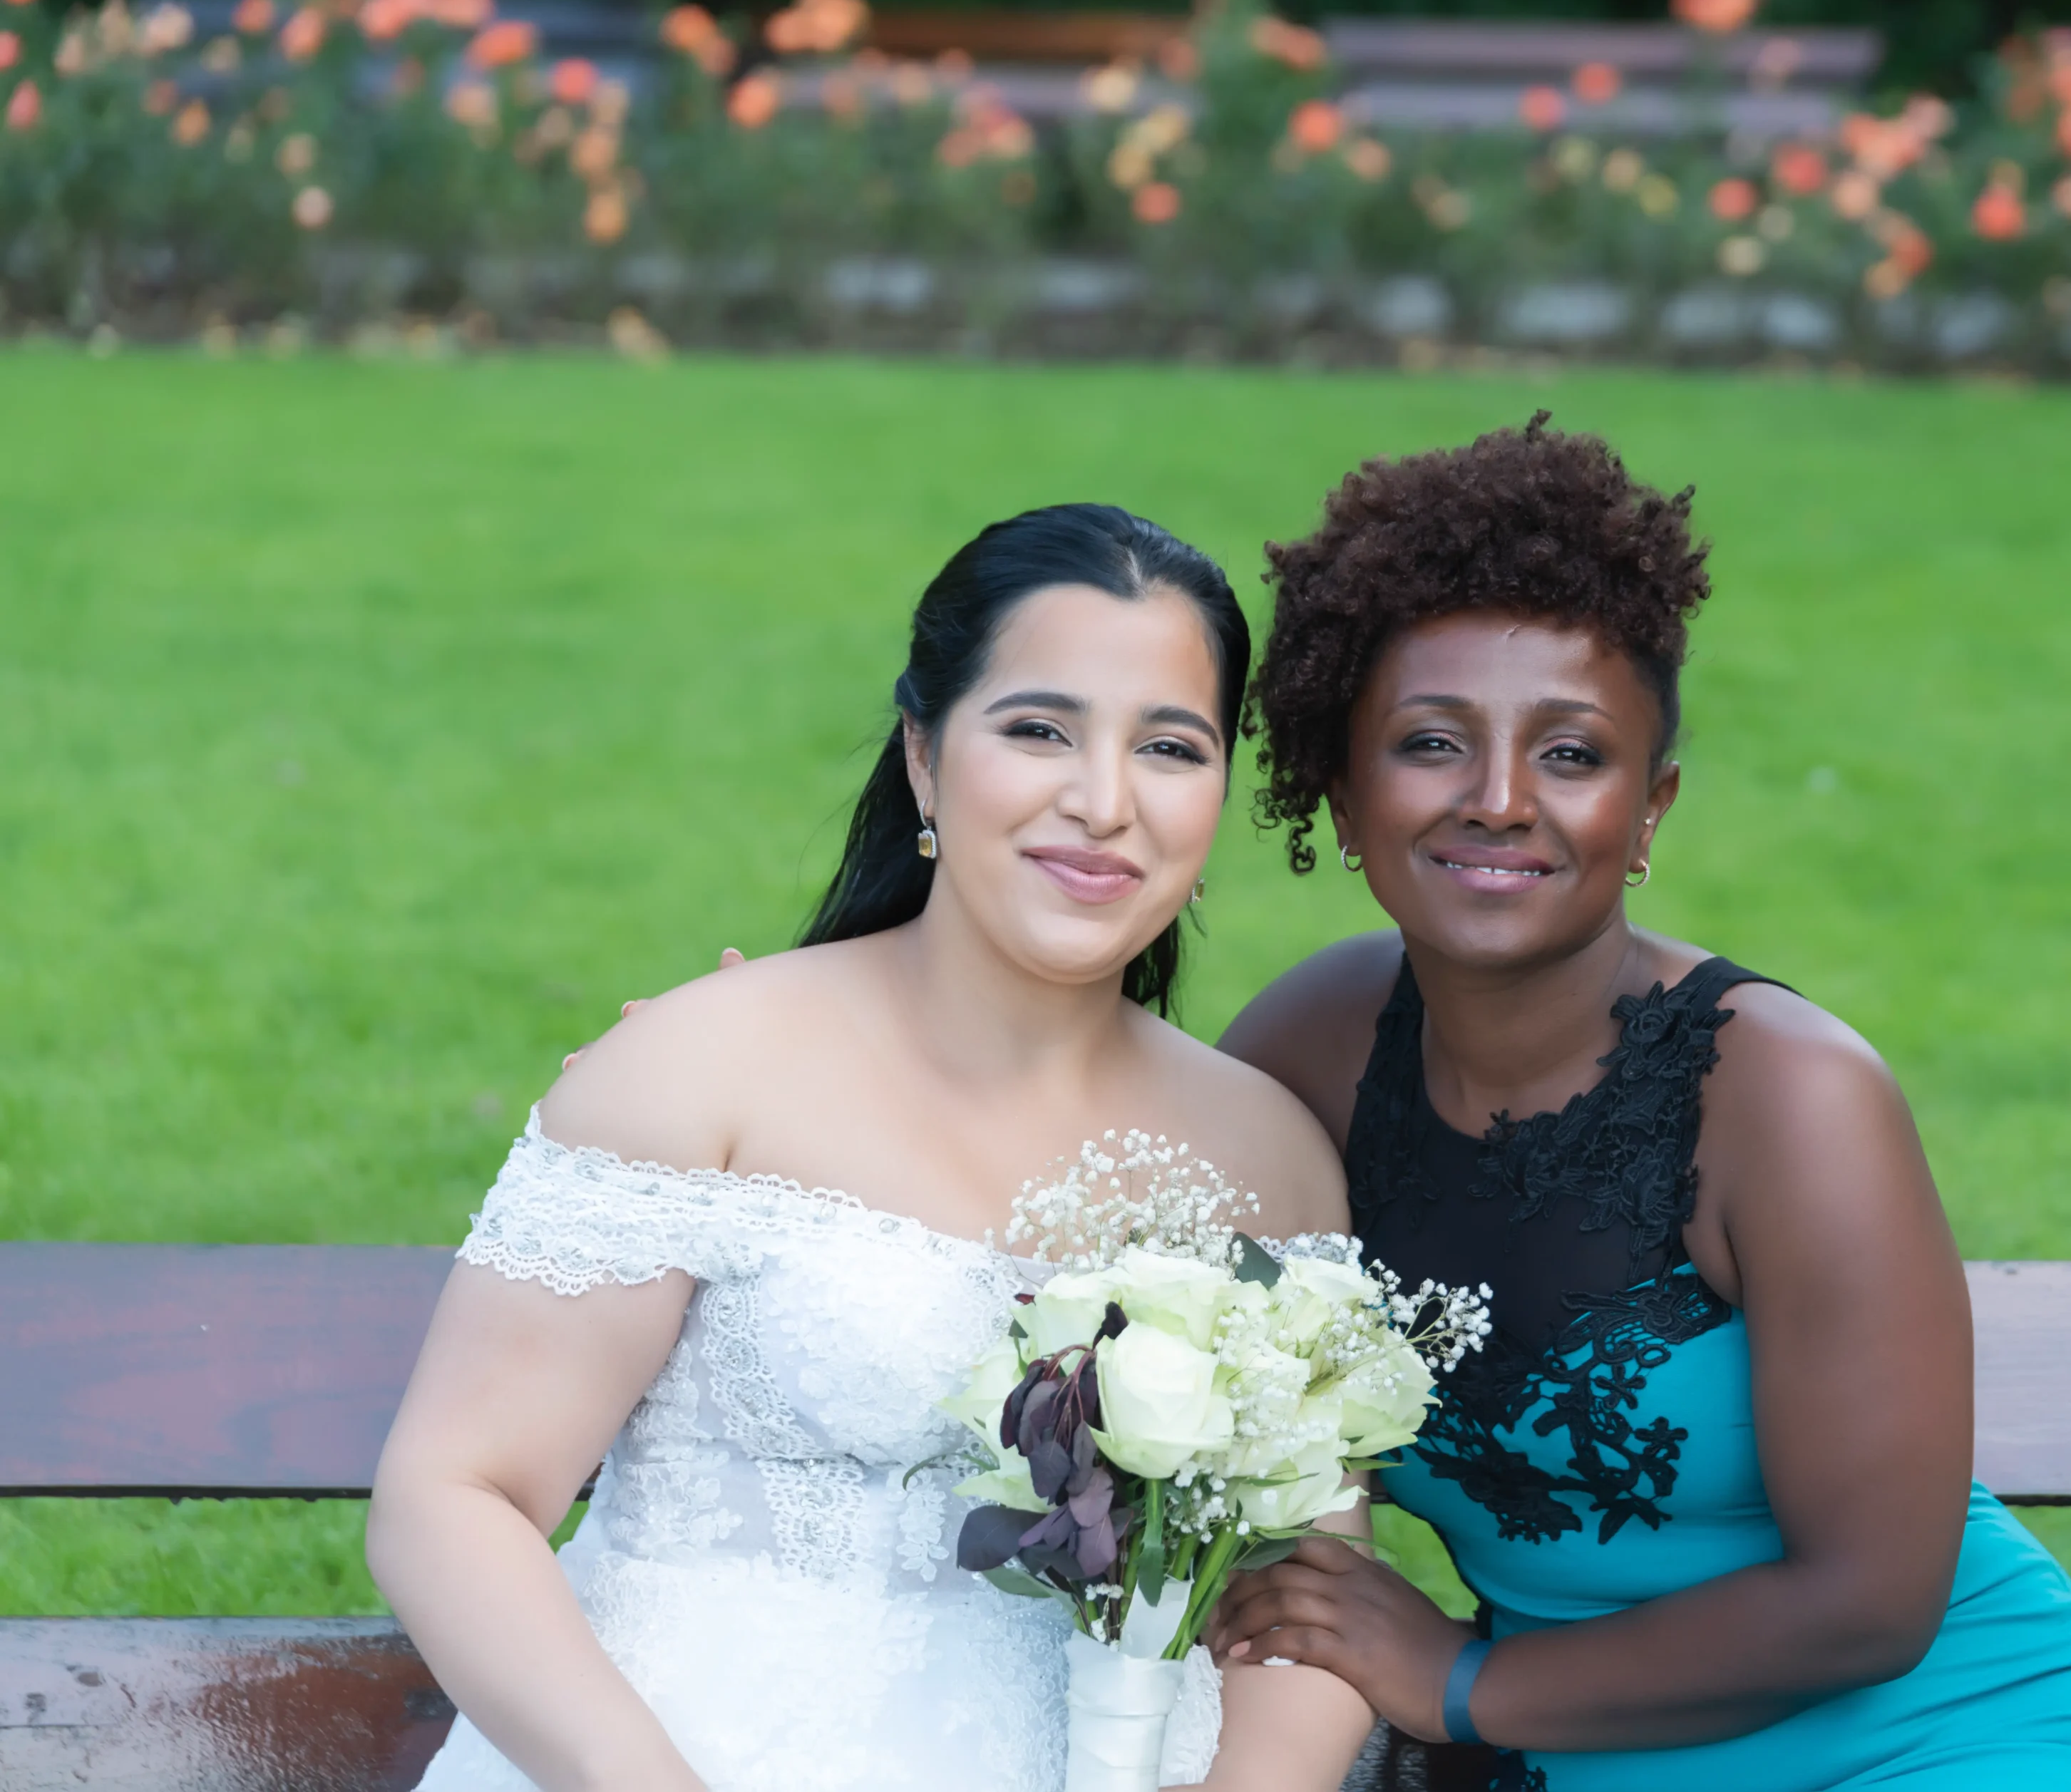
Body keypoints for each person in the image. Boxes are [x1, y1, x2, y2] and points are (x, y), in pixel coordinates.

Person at [1203, 418, 2071, 1792]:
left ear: (1653, 805)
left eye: (1571, 755)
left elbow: (1872, 1600)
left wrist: (1463, 1679)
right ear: (1341, 781)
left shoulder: (1790, 1096)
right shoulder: (1307, 1054)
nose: (1501, 801)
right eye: (1433, 742)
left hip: (1960, 1745)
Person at [366, 505, 1374, 1792]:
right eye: (1039, 729)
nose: (1104, 801)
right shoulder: (702, 1071)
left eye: (1169, 746)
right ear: (922, 754)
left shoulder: (1265, 1157)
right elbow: (455, 1495)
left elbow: (1305, 1603)